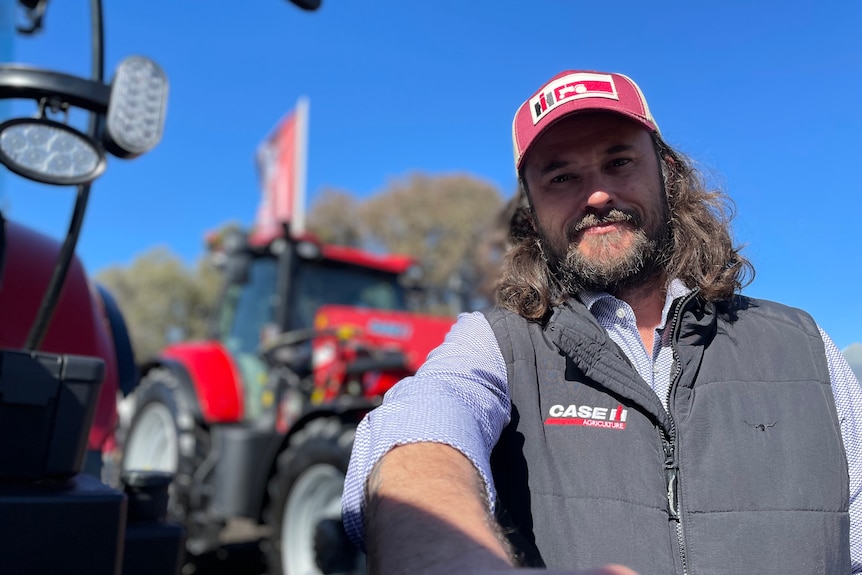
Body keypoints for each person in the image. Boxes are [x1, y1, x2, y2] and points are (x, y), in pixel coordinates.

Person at [341, 70, 862, 575]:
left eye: (619, 162)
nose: (596, 195)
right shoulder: (495, 345)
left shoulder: (803, 345)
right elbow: (421, 423)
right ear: (531, 211)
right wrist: (445, 557)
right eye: (562, 176)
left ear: (667, 174)